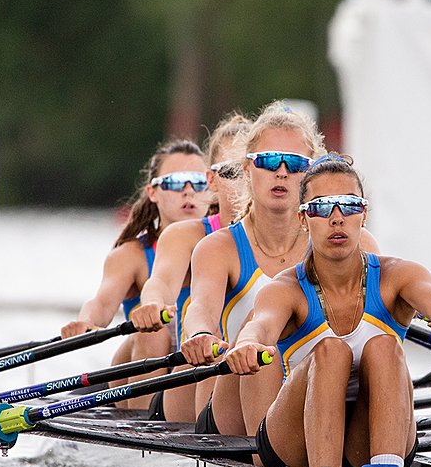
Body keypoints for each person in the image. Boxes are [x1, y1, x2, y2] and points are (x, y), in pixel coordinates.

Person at [224, 154, 431, 467]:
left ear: (364, 214)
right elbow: (261, 325)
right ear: (303, 219)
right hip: (296, 440)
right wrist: (246, 344)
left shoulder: (398, 275)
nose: (337, 218)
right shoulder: (284, 288)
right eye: (322, 207)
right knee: (331, 351)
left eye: (348, 205)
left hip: (365, 439)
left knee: (384, 347)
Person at [180, 101, 379, 438]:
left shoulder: (356, 243)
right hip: (232, 414)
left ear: (311, 173)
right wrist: (199, 335)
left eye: (296, 164)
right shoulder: (219, 248)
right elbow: (201, 307)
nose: (282, 172)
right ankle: (273, 462)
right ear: (246, 169)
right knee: (262, 328)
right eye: (270, 161)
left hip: (317, 394)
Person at [61, 139, 210, 409]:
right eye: (176, 183)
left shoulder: (226, 245)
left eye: (199, 182)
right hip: (139, 368)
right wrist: (84, 323)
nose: (188, 192)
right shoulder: (131, 255)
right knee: (154, 333)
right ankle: (144, 429)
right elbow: (102, 304)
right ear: (153, 192)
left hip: (193, 372)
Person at [129, 113, 252, 422]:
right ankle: (141, 431)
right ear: (211, 181)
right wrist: (153, 304)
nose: (243, 183)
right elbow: (160, 282)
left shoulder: (301, 237)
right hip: (196, 380)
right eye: (231, 172)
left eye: (249, 169)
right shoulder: (187, 236)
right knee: (151, 333)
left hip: (260, 374)